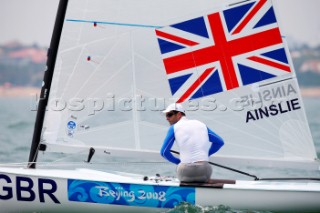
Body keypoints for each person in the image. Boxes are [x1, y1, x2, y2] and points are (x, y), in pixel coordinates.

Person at [160, 103, 224, 183]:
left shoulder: (174, 128)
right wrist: (206, 155)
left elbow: (163, 152)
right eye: (166, 115)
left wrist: (178, 162)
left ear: (179, 114)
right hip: (204, 171)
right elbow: (220, 142)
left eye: (169, 115)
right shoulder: (201, 124)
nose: (167, 118)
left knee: (180, 168)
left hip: (186, 172)